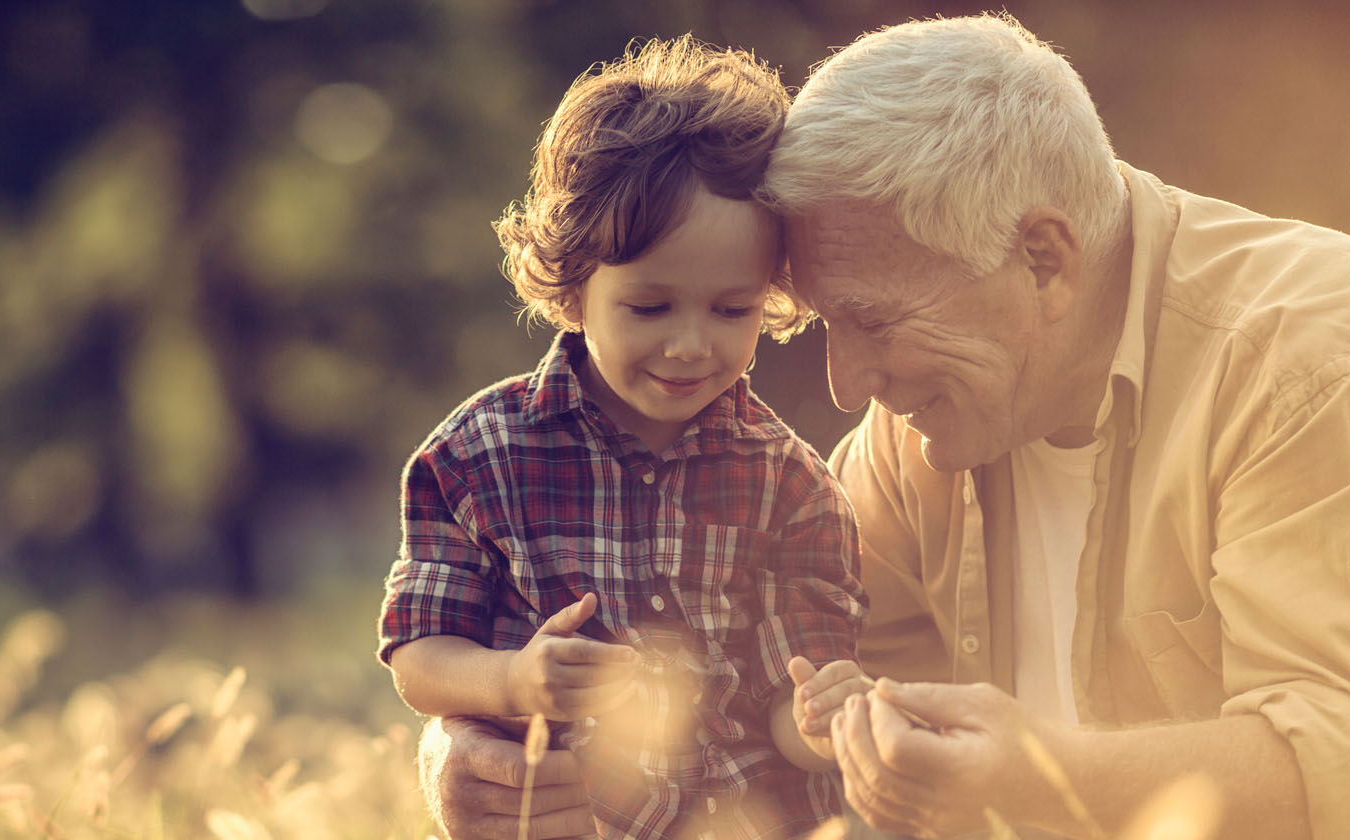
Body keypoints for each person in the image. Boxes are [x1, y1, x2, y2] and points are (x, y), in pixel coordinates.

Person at [421, 12, 1350, 840]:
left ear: (1043, 258)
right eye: (827, 323)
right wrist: (473, 752)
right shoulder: (910, 445)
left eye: (873, 321)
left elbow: (1335, 747)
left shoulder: (1305, 363)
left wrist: (1048, 780)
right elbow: (763, 711)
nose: (845, 383)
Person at [377, 36, 871, 840]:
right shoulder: (477, 457)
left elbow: (788, 698)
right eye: (650, 308)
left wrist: (819, 725)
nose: (690, 345)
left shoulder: (792, 484)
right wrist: (512, 682)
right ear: (574, 288)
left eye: (732, 309)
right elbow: (418, 655)